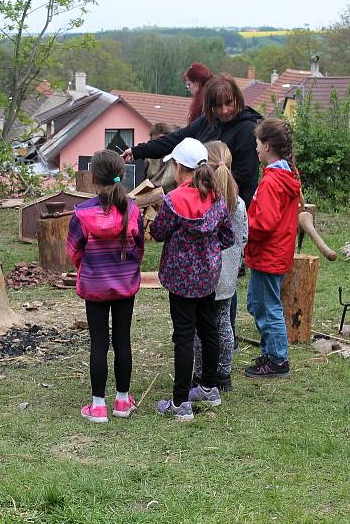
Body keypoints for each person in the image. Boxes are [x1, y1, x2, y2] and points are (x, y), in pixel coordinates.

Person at [150, 138, 234, 421]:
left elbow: (159, 232)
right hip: (208, 276)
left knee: (184, 336)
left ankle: (180, 402)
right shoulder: (217, 198)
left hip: (180, 278)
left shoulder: (173, 200)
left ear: (177, 167)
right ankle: (210, 387)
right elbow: (227, 236)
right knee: (209, 329)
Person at [66, 150, 145, 423]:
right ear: (121, 175)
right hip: (125, 285)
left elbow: (73, 250)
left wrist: (86, 268)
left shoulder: (81, 214)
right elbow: (139, 248)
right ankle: (123, 401)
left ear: (91, 178)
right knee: (123, 341)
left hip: (94, 285)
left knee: (99, 343)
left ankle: (97, 405)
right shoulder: (133, 210)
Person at [122, 74, 262, 209]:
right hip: (201, 204)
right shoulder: (209, 120)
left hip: (231, 207)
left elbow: (244, 178)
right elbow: (176, 139)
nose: (224, 110)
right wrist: (138, 151)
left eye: (229, 103)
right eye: (218, 105)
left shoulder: (248, 130)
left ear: (238, 98)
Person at [244, 118, 302, 379]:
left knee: (268, 307)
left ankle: (278, 360)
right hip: (273, 252)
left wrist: (245, 226)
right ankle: (270, 353)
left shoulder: (272, 182)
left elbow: (264, 223)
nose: (255, 148)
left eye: (257, 143)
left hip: (268, 253)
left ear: (267, 146)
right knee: (259, 304)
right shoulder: (283, 175)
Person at [190, 141, 247, 395]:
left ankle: (201, 374)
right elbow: (243, 236)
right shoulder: (239, 203)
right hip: (229, 272)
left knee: (201, 328)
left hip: (207, 271)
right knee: (224, 322)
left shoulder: (207, 203)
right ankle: (224, 374)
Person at [144, 123, 179, 192]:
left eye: (160, 141)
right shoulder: (148, 157)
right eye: (154, 142)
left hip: (170, 195)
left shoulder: (176, 157)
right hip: (151, 194)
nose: (157, 145)